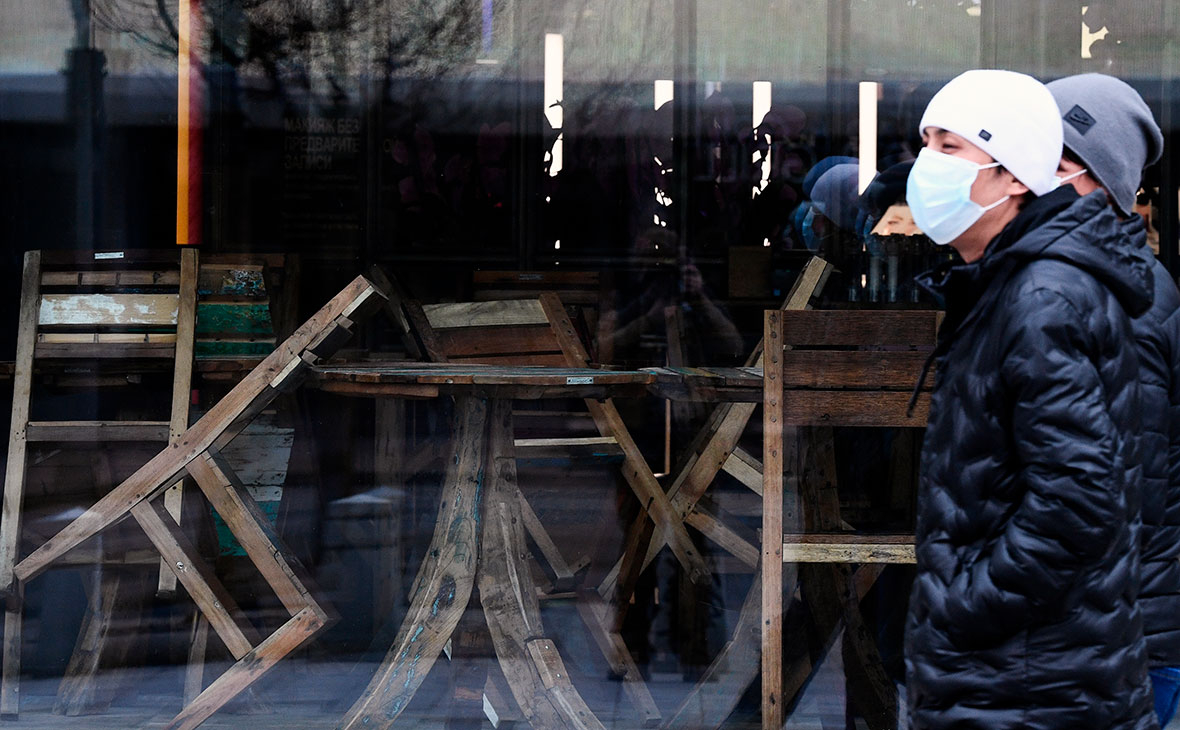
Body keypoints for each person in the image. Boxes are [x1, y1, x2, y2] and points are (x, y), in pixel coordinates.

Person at [902, 69, 1157, 730]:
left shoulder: (1041, 298)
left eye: (951, 147)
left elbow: (1078, 501)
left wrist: (965, 605)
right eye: (926, 143)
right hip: (1020, 677)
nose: (928, 165)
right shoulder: (1005, 285)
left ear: (1013, 175)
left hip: (1028, 683)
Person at [1047, 72, 1180, 729]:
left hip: (1117, 639)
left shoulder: (1127, 301)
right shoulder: (1075, 282)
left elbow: (1131, 490)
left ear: (1104, 180)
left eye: (1055, 163)